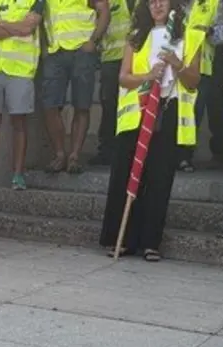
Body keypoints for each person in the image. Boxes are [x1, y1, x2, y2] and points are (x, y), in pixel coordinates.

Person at [97, 0, 203, 261]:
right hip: (137, 113)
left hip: (167, 112)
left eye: (162, 1)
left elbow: (194, 81)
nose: (157, 5)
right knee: (125, 174)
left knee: (159, 177)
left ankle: (150, 241)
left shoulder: (190, 36)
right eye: (151, 1)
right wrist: (147, 76)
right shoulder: (136, 37)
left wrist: (177, 64)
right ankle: (120, 238)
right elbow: (123, 76)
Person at [0, 0, 43, 190]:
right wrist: (16, 28)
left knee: (19, 123)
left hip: (22, 70)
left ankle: (18, 175)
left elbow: (28, 28)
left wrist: (2, 24)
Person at [41, 0, 109, 174]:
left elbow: (104, 10)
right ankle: (59, 154)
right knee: (50, 105)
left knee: (82, 105)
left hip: (82, 51)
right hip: (55, 51)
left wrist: (93, 40)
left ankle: (74, 157)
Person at [178, 0, 223, 171]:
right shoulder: (170, 4)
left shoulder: (214, 4)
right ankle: (171, 154)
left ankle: (185, 156)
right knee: (173, 111)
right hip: (173, 65)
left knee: (193, 113)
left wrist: (209, 31)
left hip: (202, 68)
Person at [94, 0, 137, 165]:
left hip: (136, 58)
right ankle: (106, 150)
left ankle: (130, 150)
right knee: (109, 104)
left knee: (133, 106)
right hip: (111, 57)